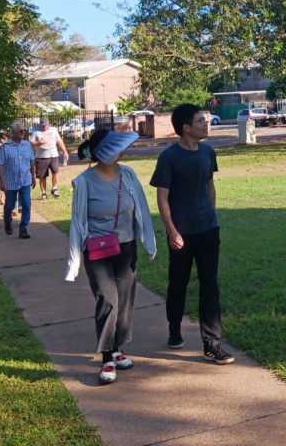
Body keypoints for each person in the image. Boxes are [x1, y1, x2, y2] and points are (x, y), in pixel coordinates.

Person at [66, 129, 157, 385]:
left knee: (125, 300)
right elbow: (77, 222)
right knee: (107, 299)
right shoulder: (83, 182)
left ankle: (118, 349)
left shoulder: (127, 174)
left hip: (125, 248)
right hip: (97, 250)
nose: (123, 150)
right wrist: (73, 260)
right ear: (104, 152)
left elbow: (141, 208)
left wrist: (148, 241)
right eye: (116, 147)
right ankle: (106, 357)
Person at [151, 104, 234, 365]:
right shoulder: (169, 157)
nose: (206, 123)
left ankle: (212, 343)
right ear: (186, 127)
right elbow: (162, 198)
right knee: (179, 282)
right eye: (201, 120)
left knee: (210, 284)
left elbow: (210, 186)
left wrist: (212, 216)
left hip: (208, 230)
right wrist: (172, 230)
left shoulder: (208, 153)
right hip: (182, 234)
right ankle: (174, 328)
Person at [0, 122, 36, 238]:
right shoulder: (5, 146)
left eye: (24, 130)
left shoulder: (27, 145)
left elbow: (32, 161)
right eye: (21, 131)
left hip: (25, 180)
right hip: (10, 182)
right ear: (13, 133)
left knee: (26, 204)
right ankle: (7, 222)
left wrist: (33, 176)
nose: (23, 133)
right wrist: (2, 182)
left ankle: (23, 229)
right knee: (9, 206)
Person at [30, 117, 69, 200]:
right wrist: (40, 142)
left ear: (49, 124)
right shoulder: (36, 132)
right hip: (41, 157)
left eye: (45, 125)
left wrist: (64, 151)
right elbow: (31, 144)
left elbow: (59, 141)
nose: (44, 127)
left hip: (53, 155)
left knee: (55, 172)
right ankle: (44, 193)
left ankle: (54, 188)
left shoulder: (54, 130)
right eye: (42, 126)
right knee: (42, 176)